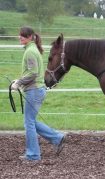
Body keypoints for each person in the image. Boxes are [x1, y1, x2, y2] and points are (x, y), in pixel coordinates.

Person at [11, 26, 65, 161]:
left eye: (23, 35)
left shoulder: (30, 51)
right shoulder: (33, 49)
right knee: (31, 121)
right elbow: (32, 72)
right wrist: (20, 80)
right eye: (20, 35)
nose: (20, 37)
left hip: (33, 90)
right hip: (37, 89)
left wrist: (19, 82)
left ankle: (33, 155)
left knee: (28, 122)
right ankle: (57, 138)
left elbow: (33, 73)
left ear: (30, 37)